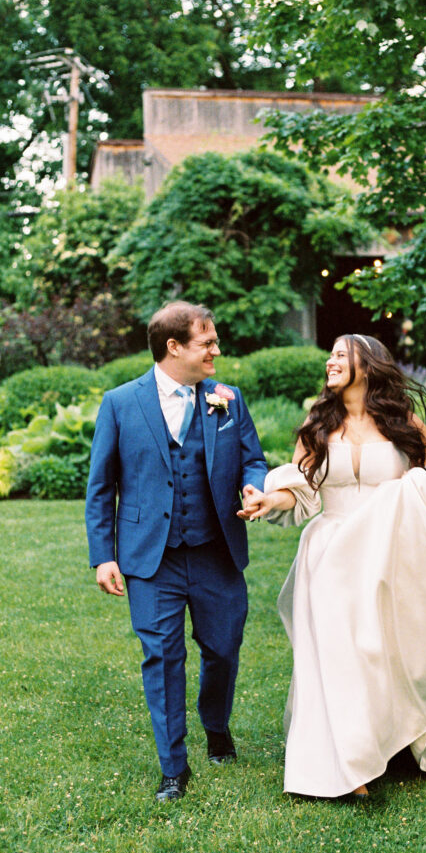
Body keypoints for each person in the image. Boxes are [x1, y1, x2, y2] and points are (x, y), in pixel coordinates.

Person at [239, 334, 426, 800]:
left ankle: (398, 742)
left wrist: (405, 491)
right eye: (329, 355)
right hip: (331, 556)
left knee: (391, 647)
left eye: (341, 355)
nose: (330, 361)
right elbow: (304, 490)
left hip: (393, 552)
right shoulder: (318, 422)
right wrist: (269, 498)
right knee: (340, 654)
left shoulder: (402, 422)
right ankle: (350, 765)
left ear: (367, 365)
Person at [85, 301, 267, 801]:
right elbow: (101, 487)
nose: (216, 350)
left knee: (223, 649)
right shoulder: (121, 403)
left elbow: (253, 459)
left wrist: (254, 487)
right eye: (207, 342)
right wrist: (104, 555)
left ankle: (216, 725)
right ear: (174, 347)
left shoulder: (227, 399)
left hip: (216, 551)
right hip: (151, 558)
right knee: (161, 656)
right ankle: (173, 766)